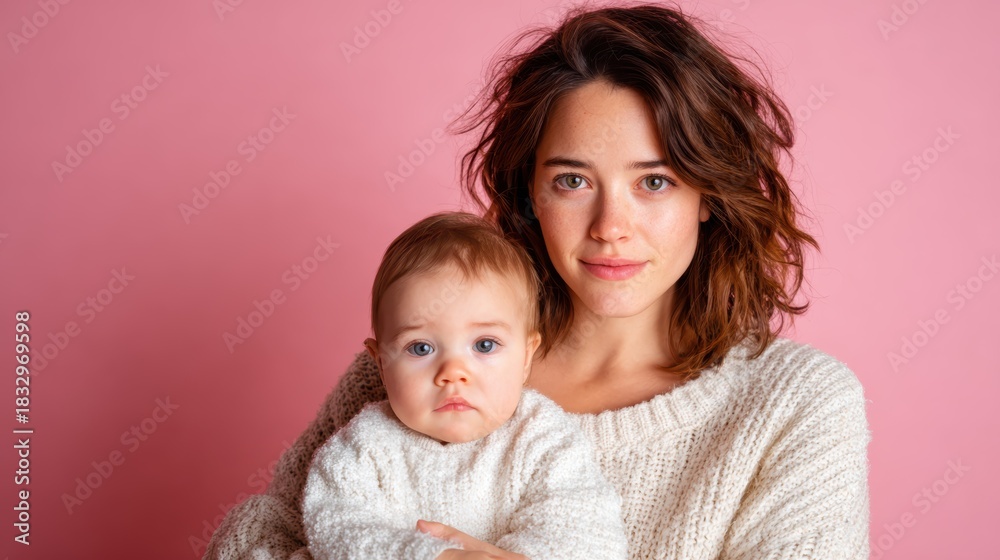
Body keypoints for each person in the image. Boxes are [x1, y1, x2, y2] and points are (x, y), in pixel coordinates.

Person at [206, 4, 871, 559]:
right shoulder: (429, 358)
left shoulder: (795, 409)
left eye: (655, 181)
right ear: (530, 194)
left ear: (708, 193)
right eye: (573, 180)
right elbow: (249, 544)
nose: (611, 225)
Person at [301, 212, 628, 560]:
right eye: (420, 348)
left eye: (484, 345)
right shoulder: (363, 447)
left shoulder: (542, 438)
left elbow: (587, 533)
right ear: (381, 364)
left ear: (526, 357)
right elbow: (335, 528)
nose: (453, 373)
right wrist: (427, 556)